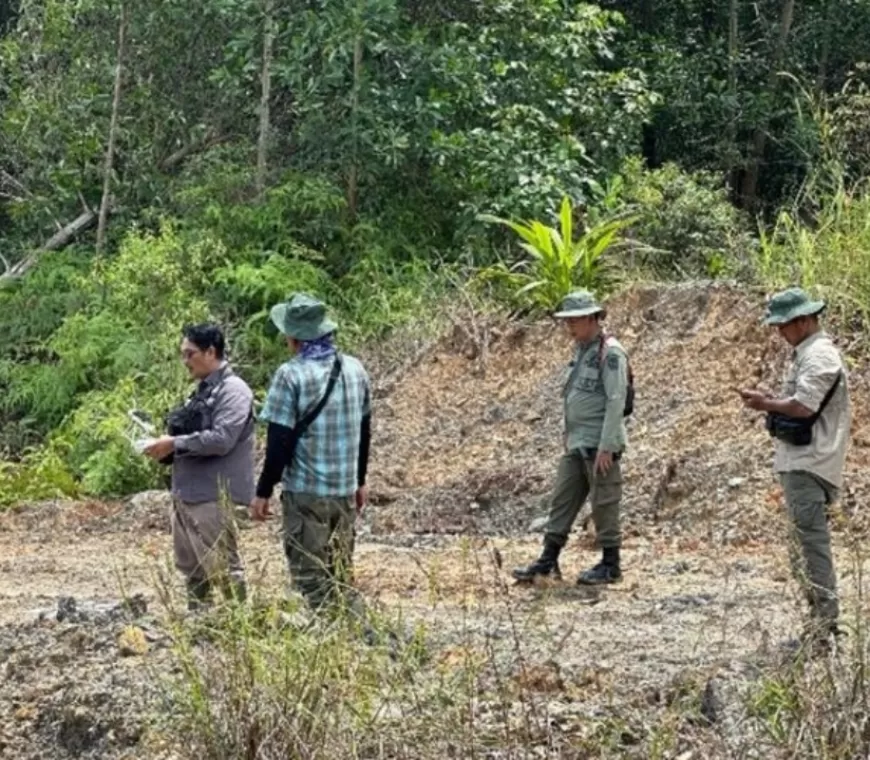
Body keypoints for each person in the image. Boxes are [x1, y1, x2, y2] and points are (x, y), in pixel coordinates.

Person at [738, 287, 850, 653]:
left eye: (784, 325)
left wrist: (765, 403)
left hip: (810, 462)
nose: (780, 332)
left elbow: (803, 406)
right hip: (802, 462)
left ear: (803, 321)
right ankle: (820, 624)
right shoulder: (808, 354)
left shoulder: (819, 355)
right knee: (801, 548)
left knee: (810, 547)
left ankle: (824, 629)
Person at [249, 293, 372, 617]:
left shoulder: (290, 375)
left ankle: (334, 646)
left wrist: (263, 491)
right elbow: (364, 430)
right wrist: (360, 481)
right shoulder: (356, 369)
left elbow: (279, 443)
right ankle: (351, 644)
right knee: (340, 577)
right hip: (344, 493)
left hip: (306, 495)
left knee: (311, 584)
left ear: (294, 338)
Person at [513, 290, 630, 586]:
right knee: (562, 500)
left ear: (592, 318)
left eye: (574, 320)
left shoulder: (611, 352)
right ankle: (548, 560)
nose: (570, 327)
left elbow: (616, 401)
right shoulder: (582, 351)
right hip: (578, 442)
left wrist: (607, 445)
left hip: (598, 443)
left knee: (604, 503)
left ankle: (610, 564)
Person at [142, 323, 254, 609]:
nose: (185, 361)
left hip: (214, 496)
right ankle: (201, 629)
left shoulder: (234, 391)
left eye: (189, 354)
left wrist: (174, 443)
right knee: (193, 570)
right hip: (186, 495)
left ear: (210, 352)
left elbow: (222, 439)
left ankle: (239, 632)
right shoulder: (201, 392)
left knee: (224, 569)